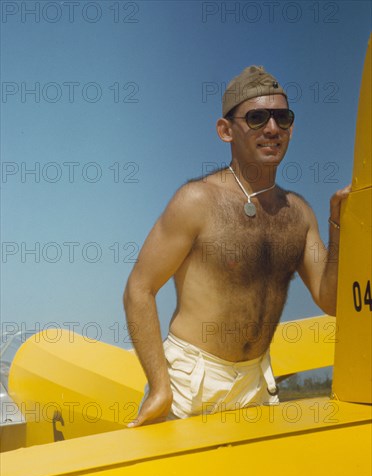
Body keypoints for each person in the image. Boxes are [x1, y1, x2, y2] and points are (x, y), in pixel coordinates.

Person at [123, 65, 350, 427]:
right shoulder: (196, 200)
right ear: (226, 130)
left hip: (256, 383)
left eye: (282, 118)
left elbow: (332, 300)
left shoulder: (299, 214)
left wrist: (339, 227)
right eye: (257, 118)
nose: (272, 129)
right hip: (189, 385)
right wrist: (159, 388)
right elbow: (139, 287)